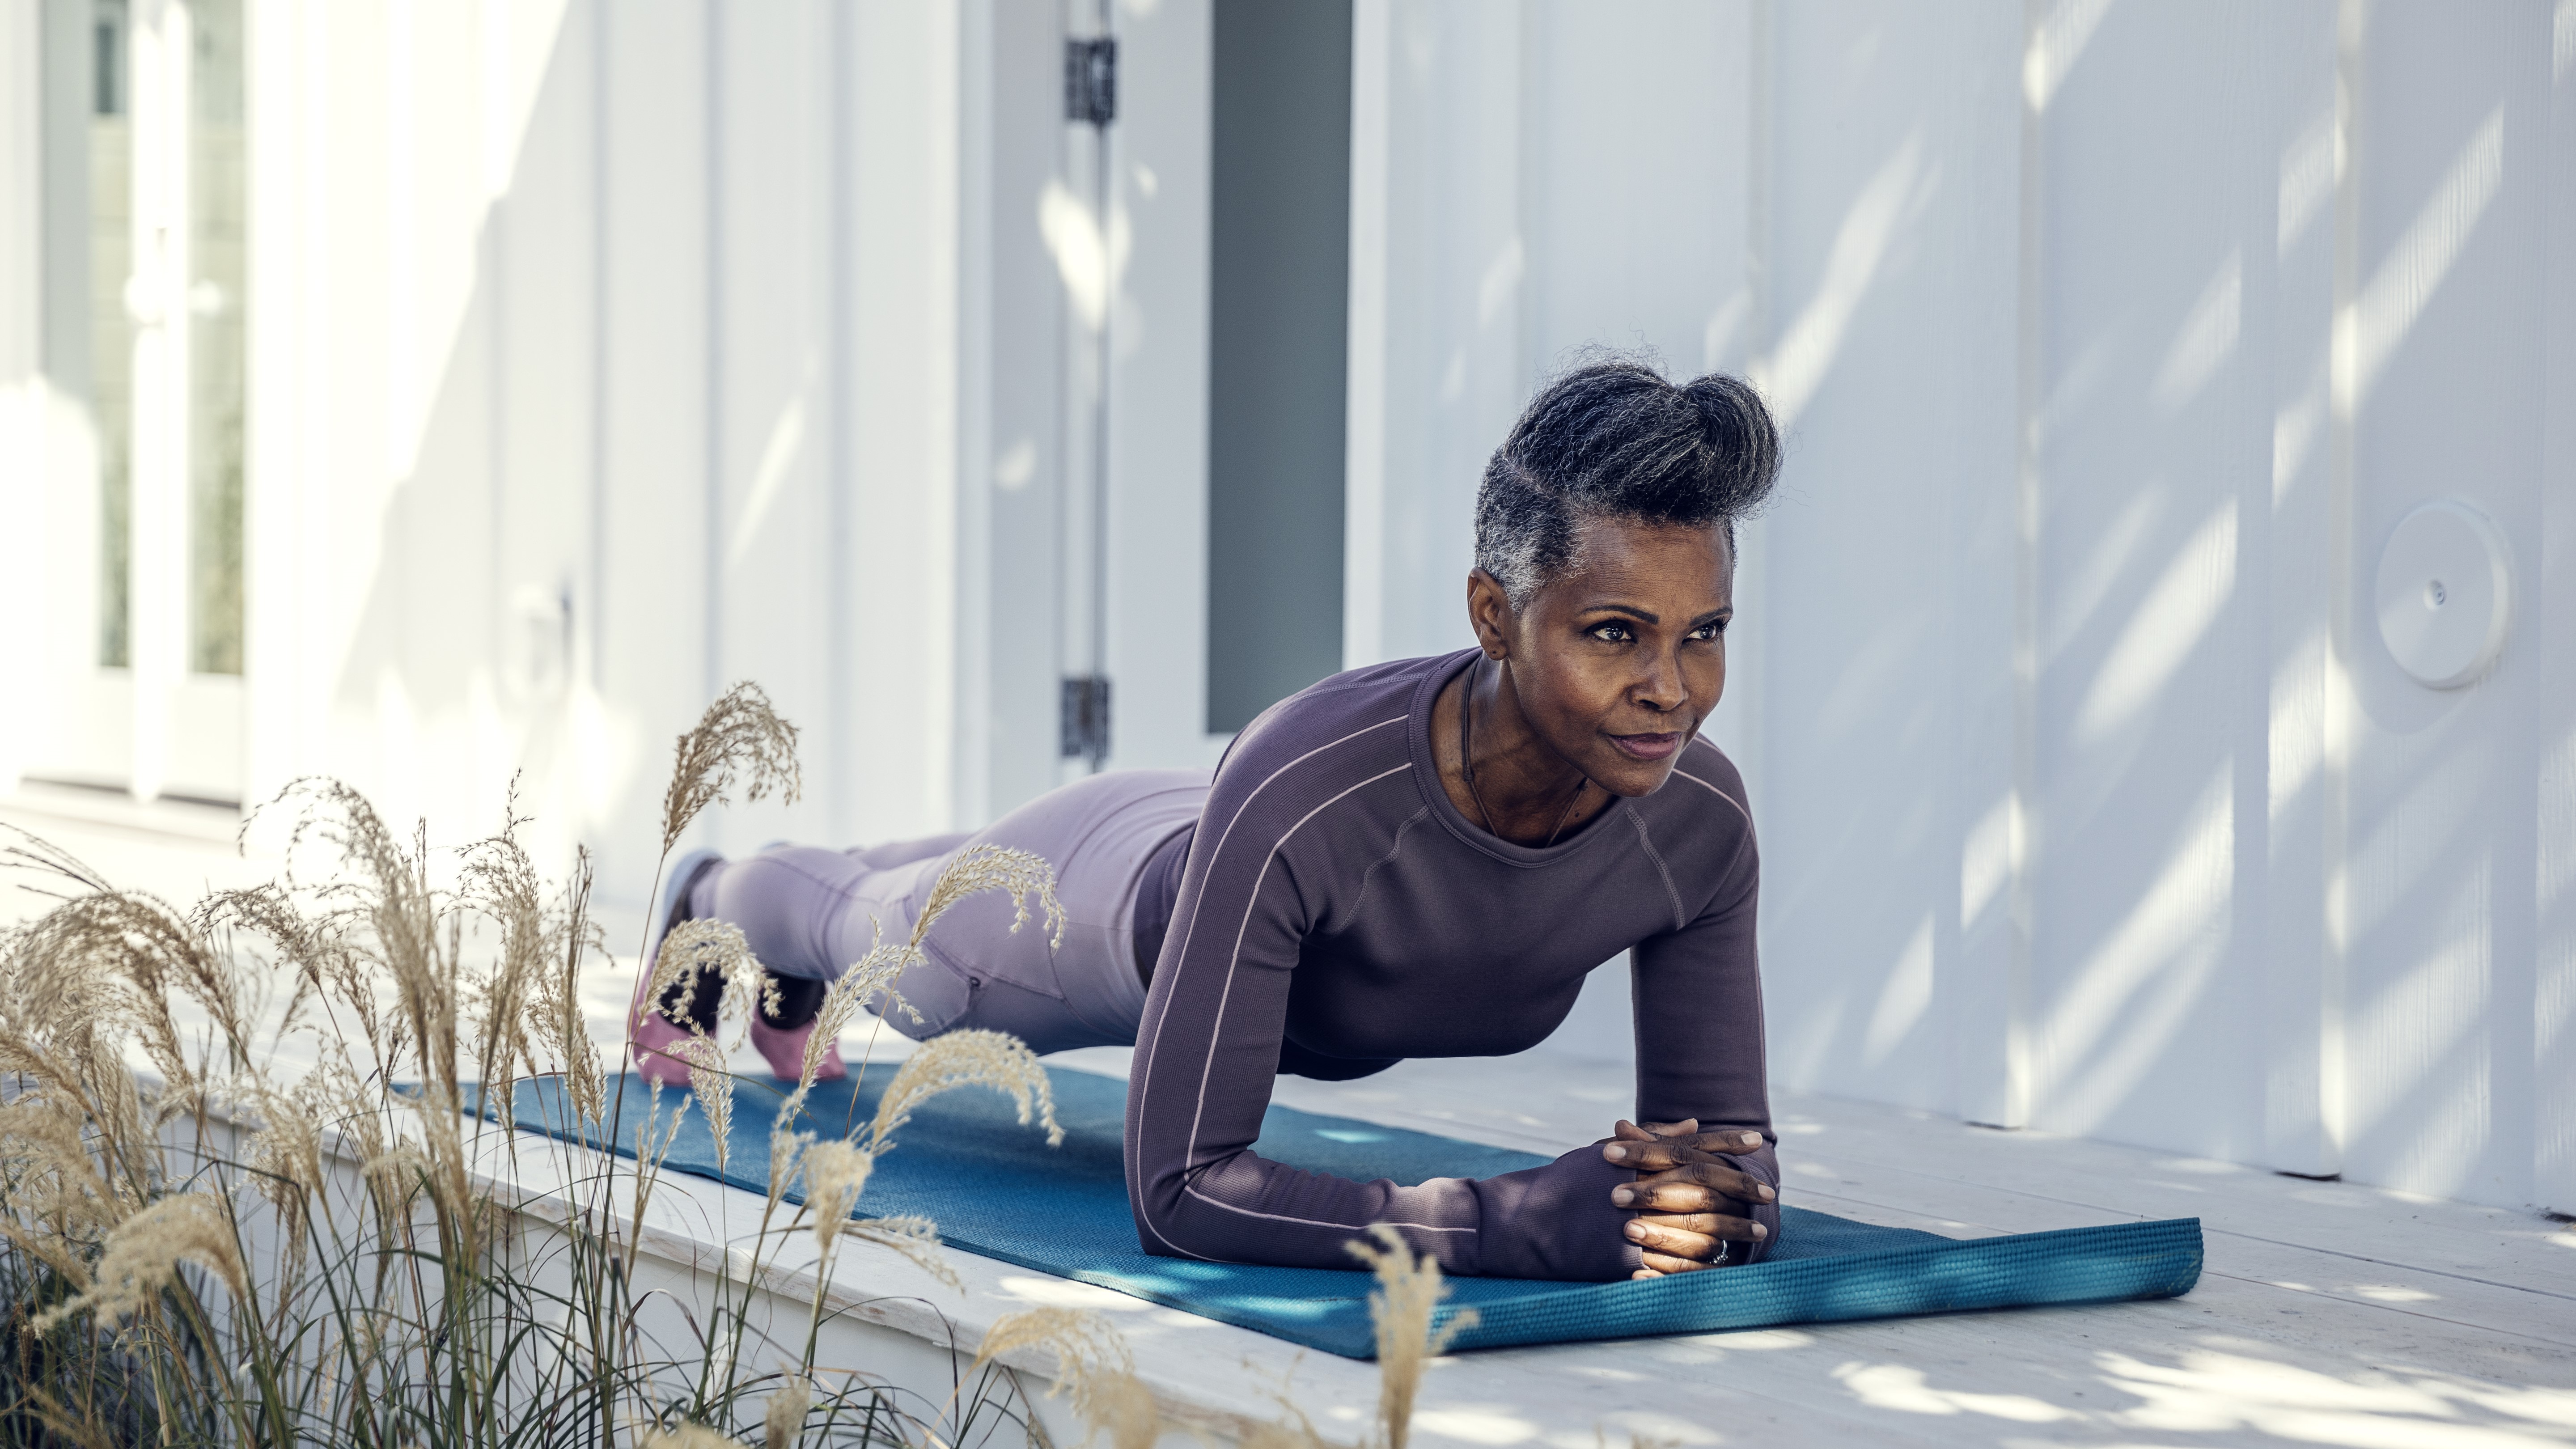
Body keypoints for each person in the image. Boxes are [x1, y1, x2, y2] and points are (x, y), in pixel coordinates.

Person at [630, 359, 1783, 1282]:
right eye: (1616, 633)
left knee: (913, 877)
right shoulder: (1311, 790)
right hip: (1094, 901)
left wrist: (1698, 1204)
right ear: (1495, 614)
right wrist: (1517, 1224)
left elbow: (1729, 1162)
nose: (1671, 689)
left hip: (1233, 835)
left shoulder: (1698, 826)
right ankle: (712, 896)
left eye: (1705, 632)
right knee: (880, 934)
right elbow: (1182, 1195)